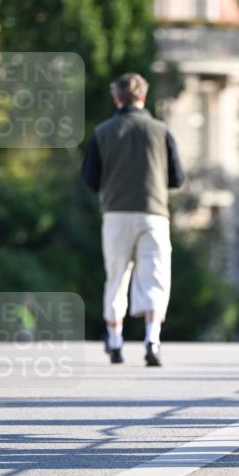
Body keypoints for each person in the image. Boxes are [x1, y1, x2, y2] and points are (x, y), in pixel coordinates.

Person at [82, 73, 184, 365]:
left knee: (116, 277)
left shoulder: (102, 132)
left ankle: (115, 341)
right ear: (144, 97)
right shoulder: (161, 131)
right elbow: (177, 178)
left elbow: (90, 179)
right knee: (155, 276)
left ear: (117, 98)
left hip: (116, 214)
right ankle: (152, 339)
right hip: (154, 213)